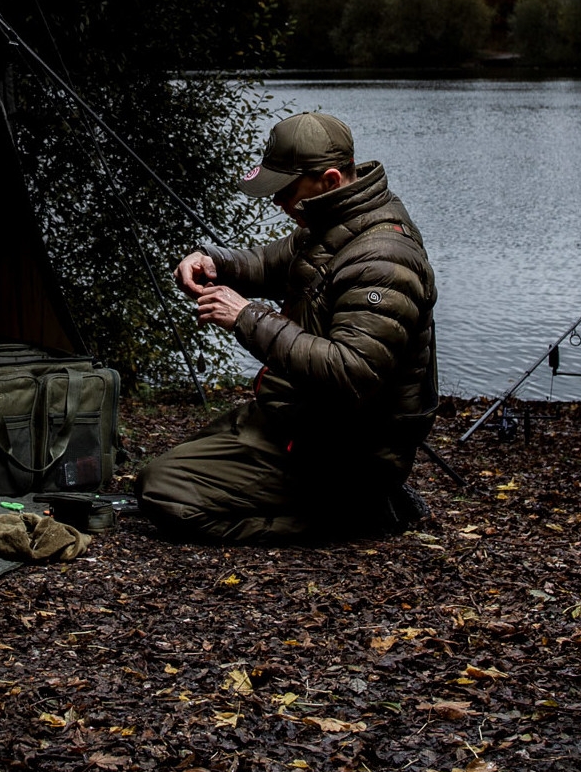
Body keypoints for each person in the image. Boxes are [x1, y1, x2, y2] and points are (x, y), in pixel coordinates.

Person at [138, 111, 437, 543]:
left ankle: (359, 516)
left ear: (330, 180)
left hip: (350, 449)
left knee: (164, 492)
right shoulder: (330, 225)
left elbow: (353, 371)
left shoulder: (382, 258)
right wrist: (211, 260)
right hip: (305, 419)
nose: (276, 203)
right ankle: (345, 504)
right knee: (182, 459)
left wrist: (246, 316)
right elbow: (266, 263)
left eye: (285, 192)